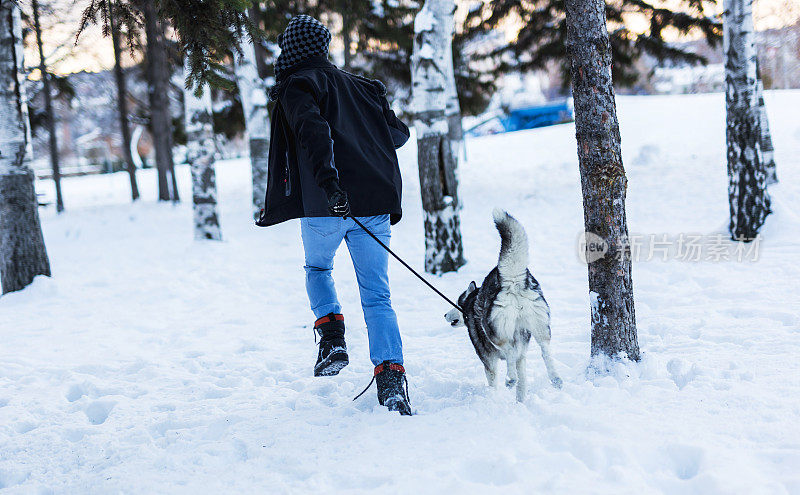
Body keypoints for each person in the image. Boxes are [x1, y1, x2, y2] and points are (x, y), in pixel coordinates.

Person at [256, 15, 412, 415]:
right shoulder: (362, 86)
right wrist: (376, 104)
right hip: (373, 206)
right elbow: (397, 135)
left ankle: (332, 337)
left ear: (292, 48)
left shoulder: (297, 84)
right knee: (378, 296)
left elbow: (312, 130)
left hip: (326, 206)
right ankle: (392, 381)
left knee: (317, 270)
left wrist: (329, 185)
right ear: (323, 46)